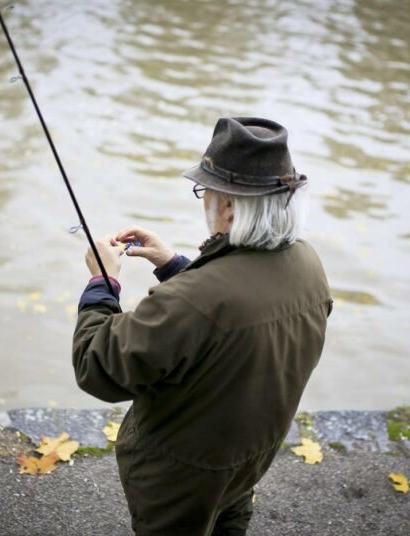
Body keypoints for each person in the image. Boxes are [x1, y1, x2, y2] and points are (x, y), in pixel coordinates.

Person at [73, 117, 333, 535]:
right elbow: (234, 317)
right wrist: (174, 265)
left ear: (228, 206)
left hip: (180, 476)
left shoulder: (195, 299)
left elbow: (96, 366)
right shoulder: (308, 265)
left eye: (205, 190)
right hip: (247, 458)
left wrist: (103, 281)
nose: (203, 199)